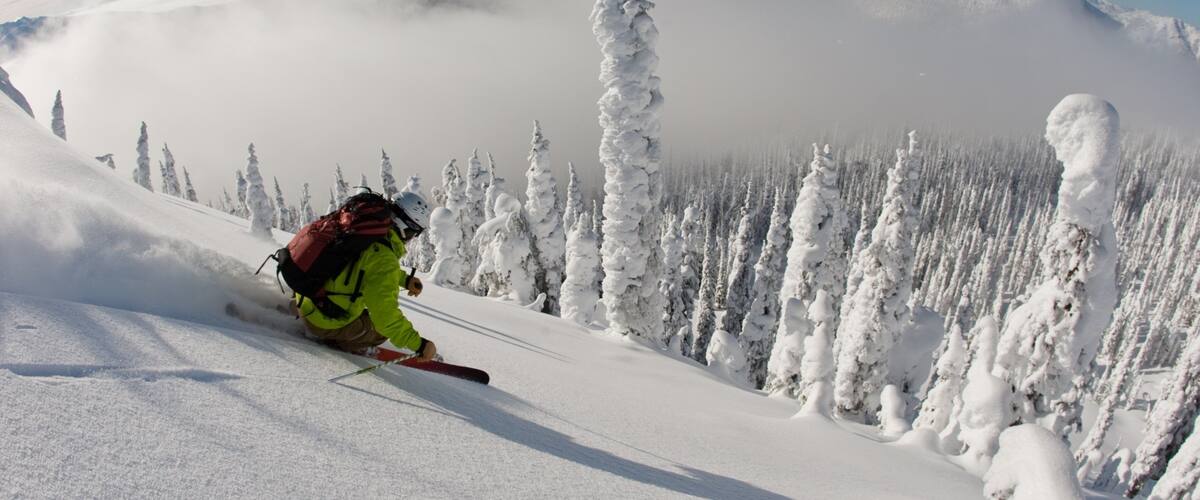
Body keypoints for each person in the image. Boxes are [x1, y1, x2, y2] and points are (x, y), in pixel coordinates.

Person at [293, 191, 438, 361]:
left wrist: (404, 280)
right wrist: (420, 345)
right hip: (322, 320)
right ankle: (335, 342)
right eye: (414, 232)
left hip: (306, 296)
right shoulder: (383, 256)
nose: (412, 238)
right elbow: (385, 317)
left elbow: (367, 267)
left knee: (363, 310)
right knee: (379, 331)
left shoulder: (361, 233)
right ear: (404, 226)